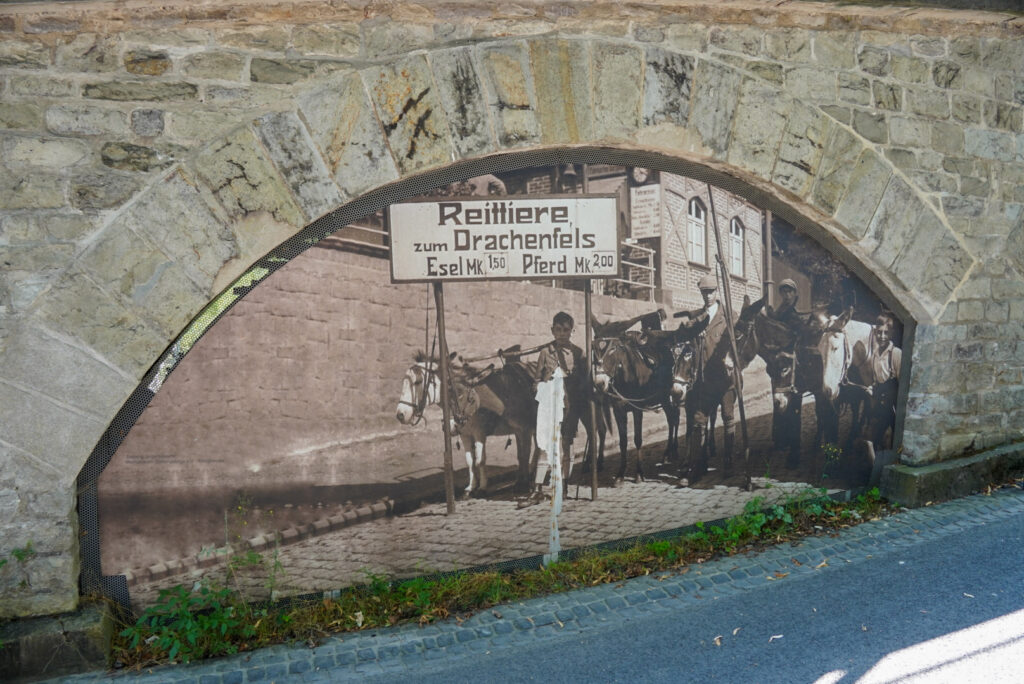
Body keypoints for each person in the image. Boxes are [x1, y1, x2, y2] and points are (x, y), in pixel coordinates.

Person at [684, 273, 740, 482]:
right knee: (699, 419)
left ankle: (729, 462)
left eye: (710, 292)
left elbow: (739, 344)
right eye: (703, 292)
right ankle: (697, 466)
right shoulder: (697, 318)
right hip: (705, 379)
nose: (707, 296)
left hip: (725, 379)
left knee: (727, 417)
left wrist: (733, 359)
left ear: (717, 292)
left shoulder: (730, 316)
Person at [529, 311, 587, 500]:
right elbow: (536, 380)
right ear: (552, 330)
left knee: (567, 445)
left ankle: (564, 483)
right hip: (549, 406)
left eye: (566, 330)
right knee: (545, 447)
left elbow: (583, 382)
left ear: (572, 331)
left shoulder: (578, 353)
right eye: (558, 330)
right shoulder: (546, 353)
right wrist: (542, 389)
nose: (562, 334)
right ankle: (538, 487)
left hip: (569, 408)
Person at [850, 312, 902, 449]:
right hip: (880, 405)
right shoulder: (874, 355)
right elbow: (876, 381)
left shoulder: (896, 354)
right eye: (879, 333)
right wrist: (872, 388)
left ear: (891, 333)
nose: (882, 336)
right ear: (874, 333)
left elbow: (902, 384)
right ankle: (876, 467)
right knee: (869, 441)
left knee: (893, 442)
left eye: (886, 333)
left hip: (894, 406)